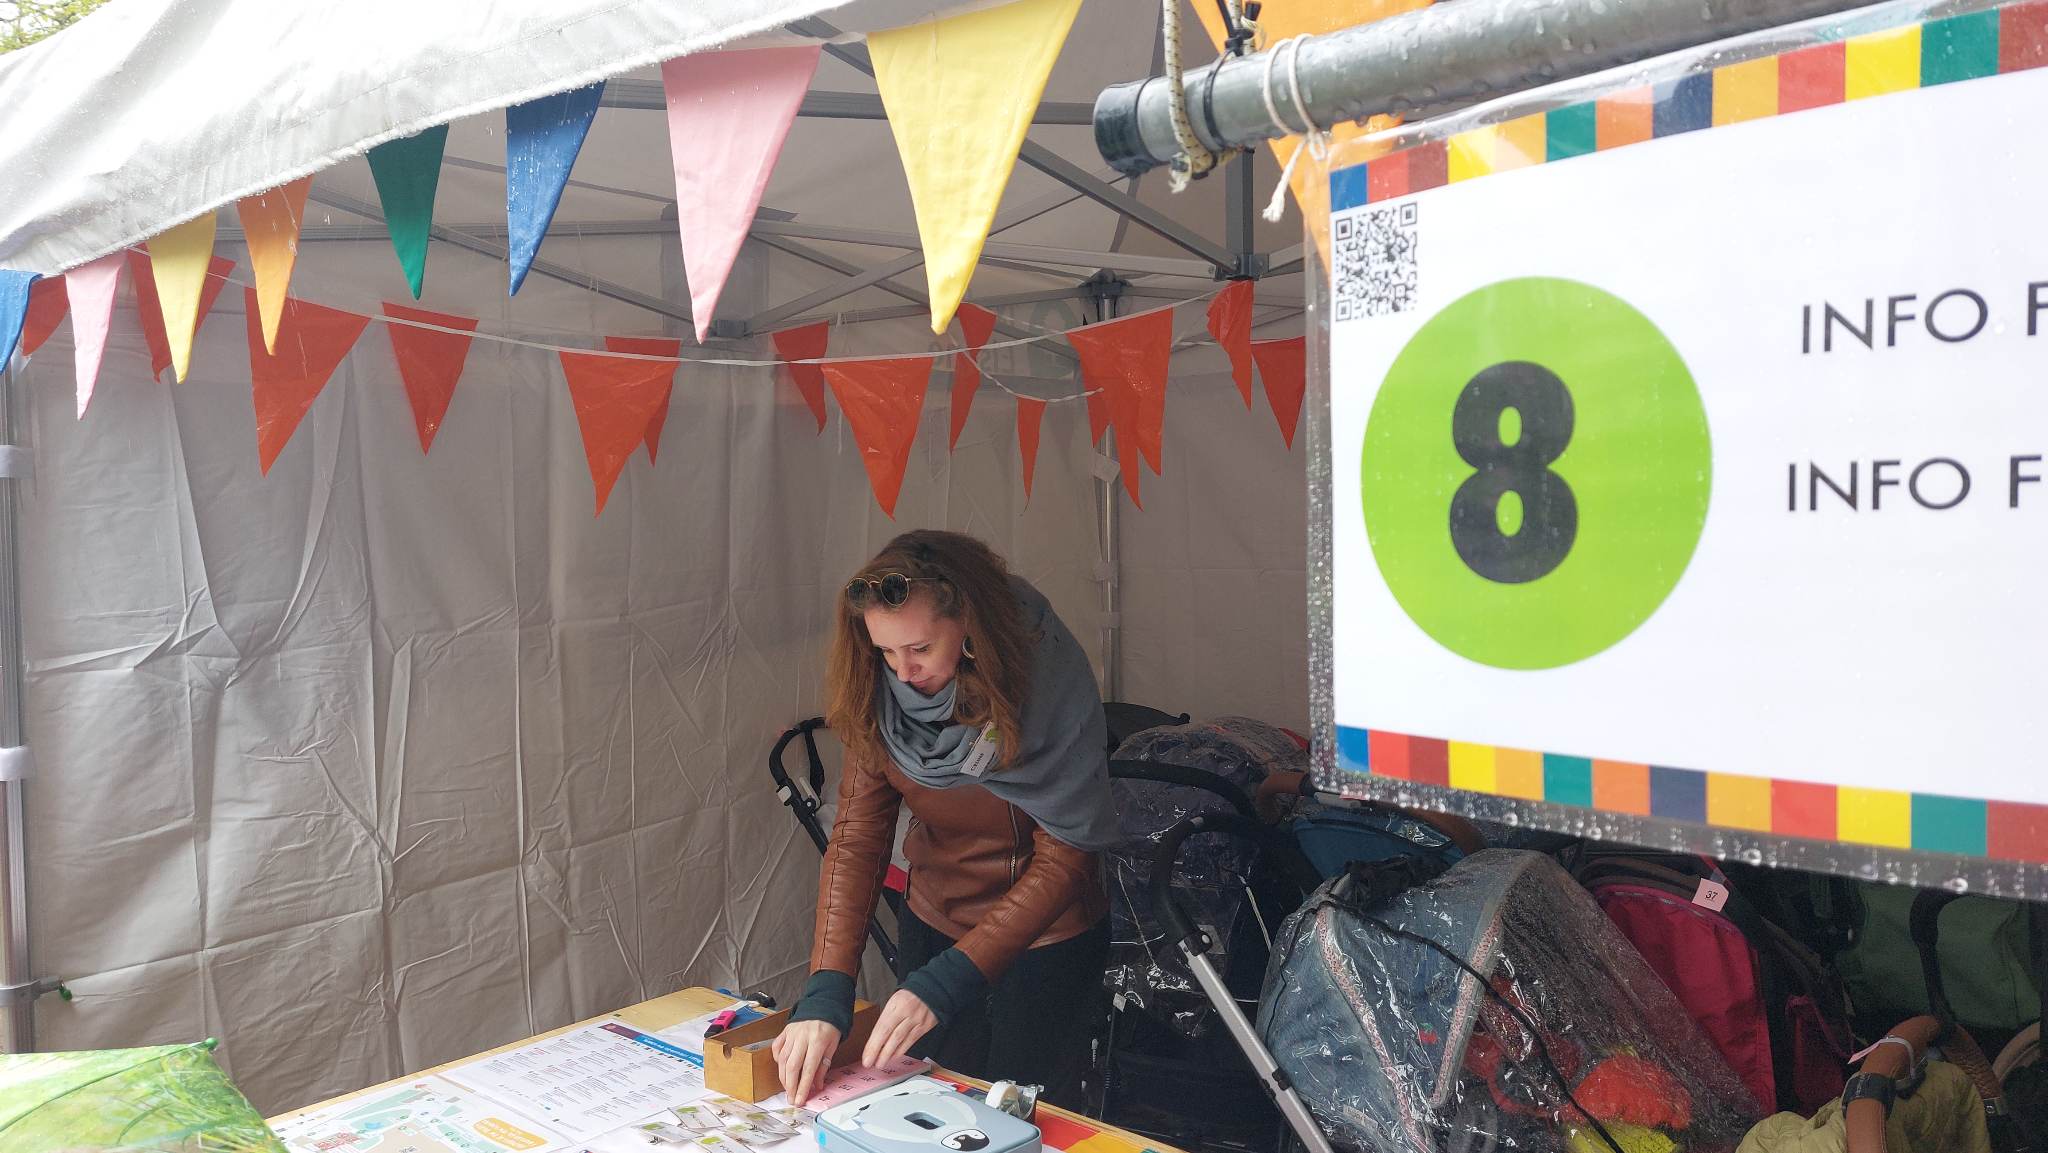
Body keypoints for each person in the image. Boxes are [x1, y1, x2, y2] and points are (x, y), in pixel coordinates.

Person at [771, 530, 1118, 1110]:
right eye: (885, 651)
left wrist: (947, 982)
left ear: (970, 625)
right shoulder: (881, 694)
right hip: (934, 920)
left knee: (1026, 1117)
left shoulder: (1044, 682)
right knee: (932, 1105)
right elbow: (857, 840)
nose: (903, 672)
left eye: (920, 648)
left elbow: (1068, 854)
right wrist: (826, 990)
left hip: (1046, 935)